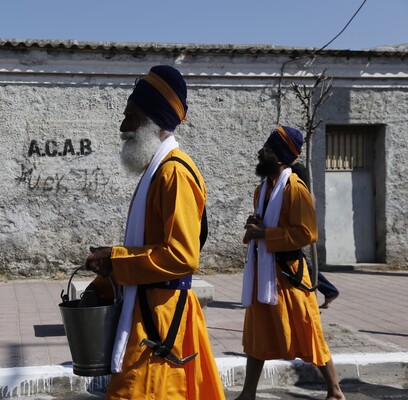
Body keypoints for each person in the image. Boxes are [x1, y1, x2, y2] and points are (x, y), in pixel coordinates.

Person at [82, 65, 225, 399]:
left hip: (160, 321)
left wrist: (115, 261)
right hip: (147, 313)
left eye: (130, 117)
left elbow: (181, 256)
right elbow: (147, 248)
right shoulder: (156, 172)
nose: (122, 127)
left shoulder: (173, 174)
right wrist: (105, 280)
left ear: (152, 119)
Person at [236, 126, 345, 400]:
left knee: (309, 331)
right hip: (265, 274)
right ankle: (248, 393)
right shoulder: (262, 190)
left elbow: (307, 233)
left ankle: (335, 391)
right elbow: (270, 223)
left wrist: (265, 233)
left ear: (281, 158)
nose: (262, 152)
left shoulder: (295, 189)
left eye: (269, 149)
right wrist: (256, 224)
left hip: (290, 276)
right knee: (257, 334)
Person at [290, 161, 340, 309]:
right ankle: (327, 291)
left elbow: (307, 195)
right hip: (300, 219)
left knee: (301, 261)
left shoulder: (297, 169)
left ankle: (326, 291)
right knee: (301, 261)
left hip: (300, 221)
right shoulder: (293, 169)